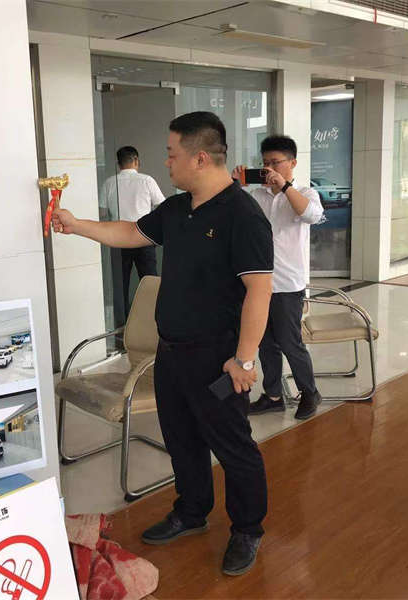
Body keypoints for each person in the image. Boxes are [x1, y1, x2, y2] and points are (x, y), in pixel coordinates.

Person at [52, 112, 273, 576]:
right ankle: (191, 511)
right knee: (181, 439)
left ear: (199, 157)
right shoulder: (177, 208)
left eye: (172, 154)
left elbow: (260, 290)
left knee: (233, 446)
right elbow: (131, 232)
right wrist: (75, 225)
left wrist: (244, 359)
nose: (166, 162)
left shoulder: (242, 215)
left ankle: (247, 529)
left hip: (218, 357)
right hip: (170, 353)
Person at [232, 135, 324, 420]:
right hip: (258, 285)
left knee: (289, 342)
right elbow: (232, 218)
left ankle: (310, 392)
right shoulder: (257, 196)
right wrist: (235, 187)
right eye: (265, 163)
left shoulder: (305, 193)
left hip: (287, 284)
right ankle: (273, 396)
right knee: (265, 343)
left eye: (275, 162)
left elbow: (311, 215)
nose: (269, 169)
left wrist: (284, 186)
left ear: (292, 163)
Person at [100, 146, 165, 316]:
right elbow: (162, 207)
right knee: (150, 280)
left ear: (118, 163)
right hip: (143, 236)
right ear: (136, 160)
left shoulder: (109, 183)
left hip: (117, 238)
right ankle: (152, 319)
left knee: (120, 284)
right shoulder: (147, 180)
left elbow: (102, 213)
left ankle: (122, 321)